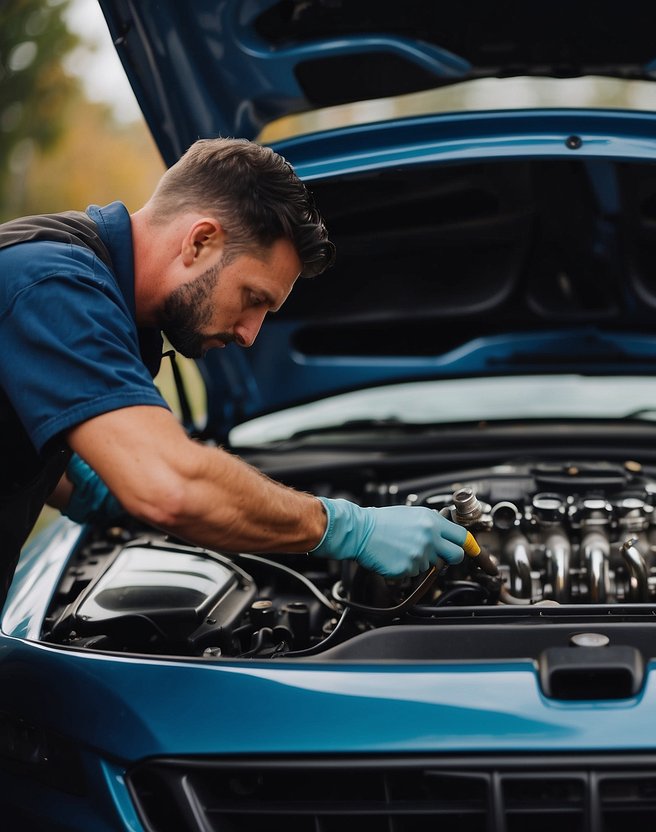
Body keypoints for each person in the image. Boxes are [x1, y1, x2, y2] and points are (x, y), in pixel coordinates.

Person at [0, 137, 468, 602]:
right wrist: (350, 528)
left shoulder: (106, 304)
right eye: (253, 298)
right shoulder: (51, 284)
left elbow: (68, 474)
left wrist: (113, 489)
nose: (249, 335)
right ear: (200, 240)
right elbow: (171, 487)